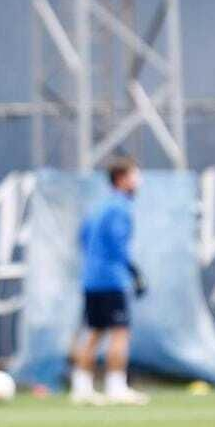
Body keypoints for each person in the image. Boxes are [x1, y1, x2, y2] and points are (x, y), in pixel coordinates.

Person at [70, 157, 148, 407]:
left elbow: (82, 237)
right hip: (111, 279)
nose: (138, 180)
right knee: (120, 333)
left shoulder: (99, 207)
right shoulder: (120, 207)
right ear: (122, 179)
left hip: (91, 279)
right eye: (135, 175)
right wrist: (133, 271)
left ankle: (81, 387)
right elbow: (118, 244)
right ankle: (116, 387)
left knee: (94, 332)